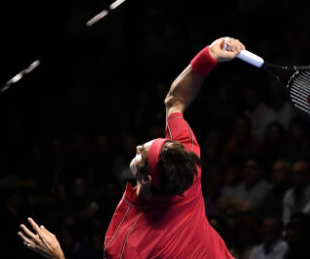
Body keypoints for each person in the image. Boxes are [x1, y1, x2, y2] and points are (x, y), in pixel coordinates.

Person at [18, 36, 245, 259]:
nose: (137, 147)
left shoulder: (126, 244)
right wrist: (210, 55)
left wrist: (57, 256)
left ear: (146, 178)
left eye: (141, 154)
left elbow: (175, 99)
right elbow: (175, 101)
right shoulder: (188, 164)